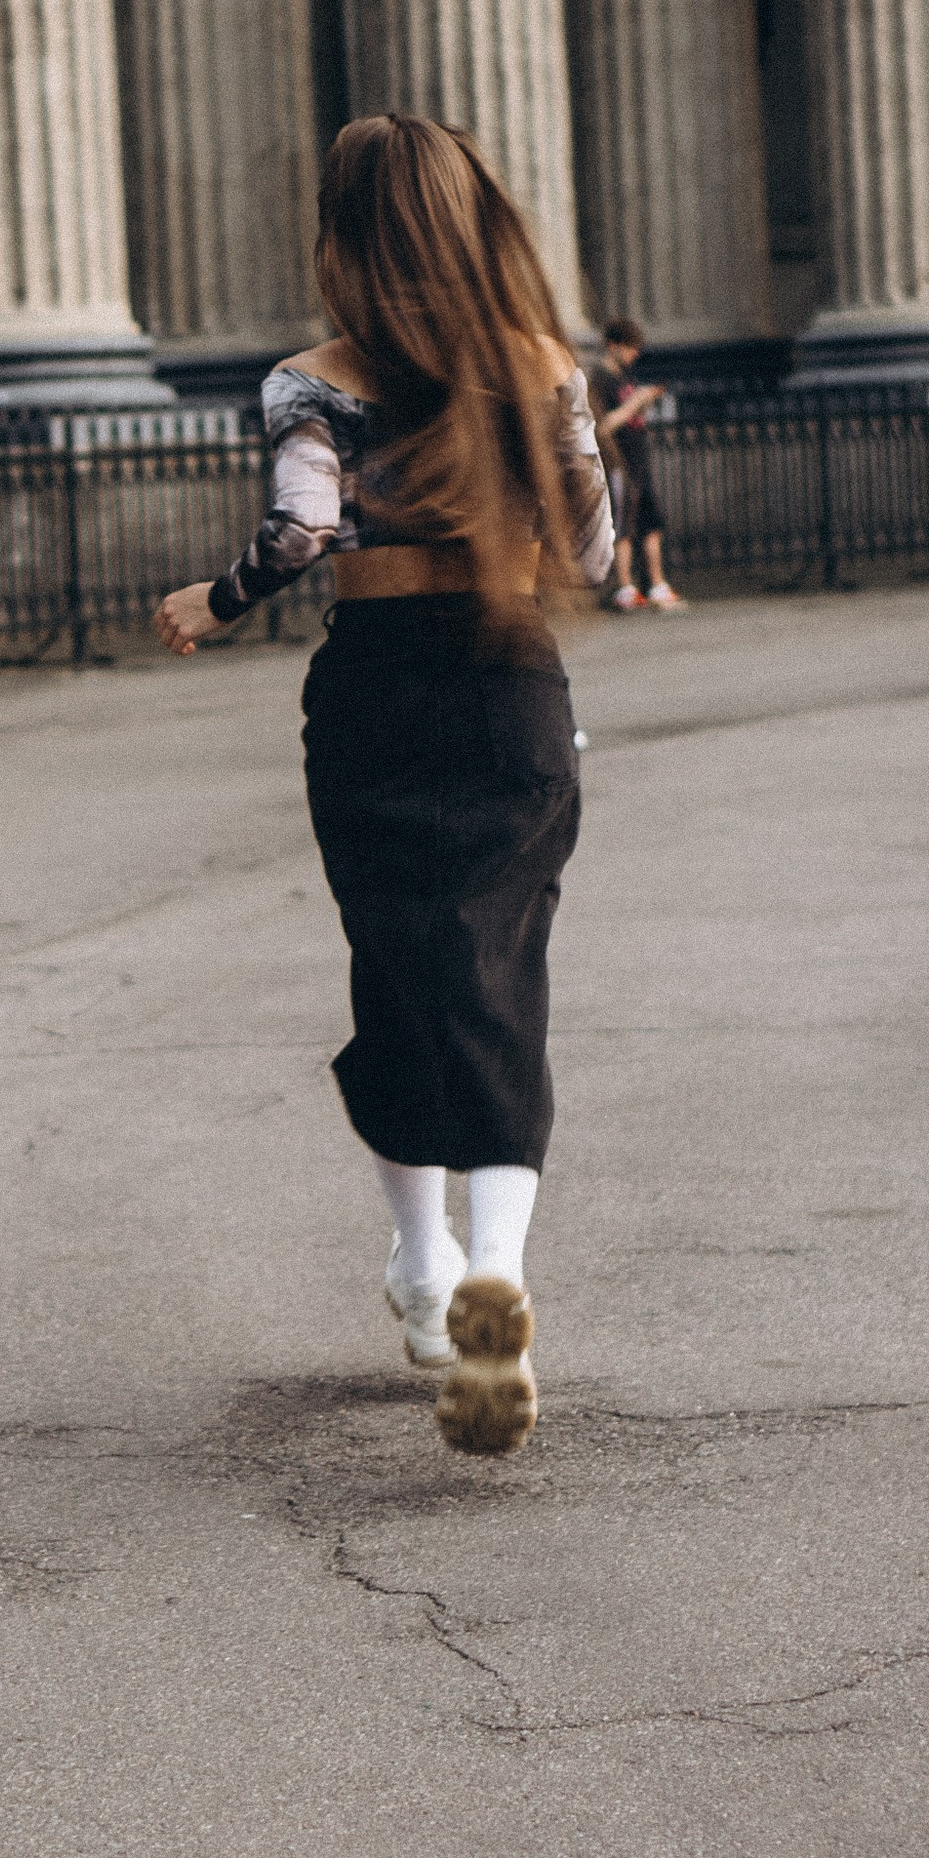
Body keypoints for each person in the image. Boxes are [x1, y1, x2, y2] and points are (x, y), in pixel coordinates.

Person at [155, 115, 612, 1456]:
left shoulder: (313, 377)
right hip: (514, 683)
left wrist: (218, 598)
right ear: (477, 225)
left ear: (345, 236)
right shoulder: (541, 367)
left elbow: (302, 528)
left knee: (397, 964)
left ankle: (421, 1271)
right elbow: (593, 543)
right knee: (499, 970)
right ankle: (496, 1275)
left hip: (377, 693)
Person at [588, 317, 685, 610]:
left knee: (651, 520)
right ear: (613, 346)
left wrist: (643, 401)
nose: (635, 355)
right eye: (630, 348)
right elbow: (602, 426)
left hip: (639, 459)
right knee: (623, 525)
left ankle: (656, 583)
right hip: (619, 462)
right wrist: (633, 405)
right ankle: (625, 586)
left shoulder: (625, 377)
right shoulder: (600, 381)